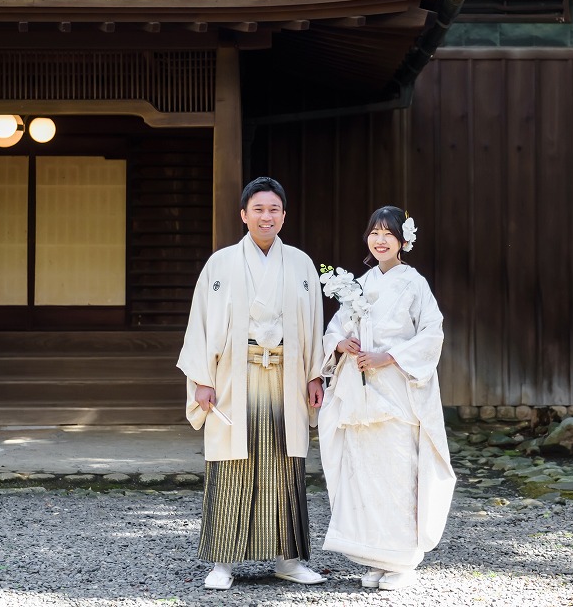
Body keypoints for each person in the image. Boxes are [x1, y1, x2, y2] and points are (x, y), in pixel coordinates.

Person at [176, 176, 326, 591]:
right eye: (258, 209)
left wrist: (315, 373)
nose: (266, 216)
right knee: (230, 465)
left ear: (284, 215)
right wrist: (202, 380)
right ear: (243, 215)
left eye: (274, 209)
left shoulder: (300, 264)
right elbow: (201, 325)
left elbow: (314, 324)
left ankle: (288, 559)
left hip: (285, 375)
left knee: (284, 463)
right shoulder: (220, 264)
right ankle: (222, 561)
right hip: (232, 377)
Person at [318, 206, 456, 591]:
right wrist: (341, 344)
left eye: (388, 234)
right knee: (366, 473)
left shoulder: (415, 284)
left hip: (397, 389)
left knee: (398, 471)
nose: (379, 240)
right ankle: (376, 557)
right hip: (362, 394)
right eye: (374, 232)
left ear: (403, 242)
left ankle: (401, 560)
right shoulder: (357, 284)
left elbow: (432, 333)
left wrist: (389, 356)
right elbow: (335, 329)